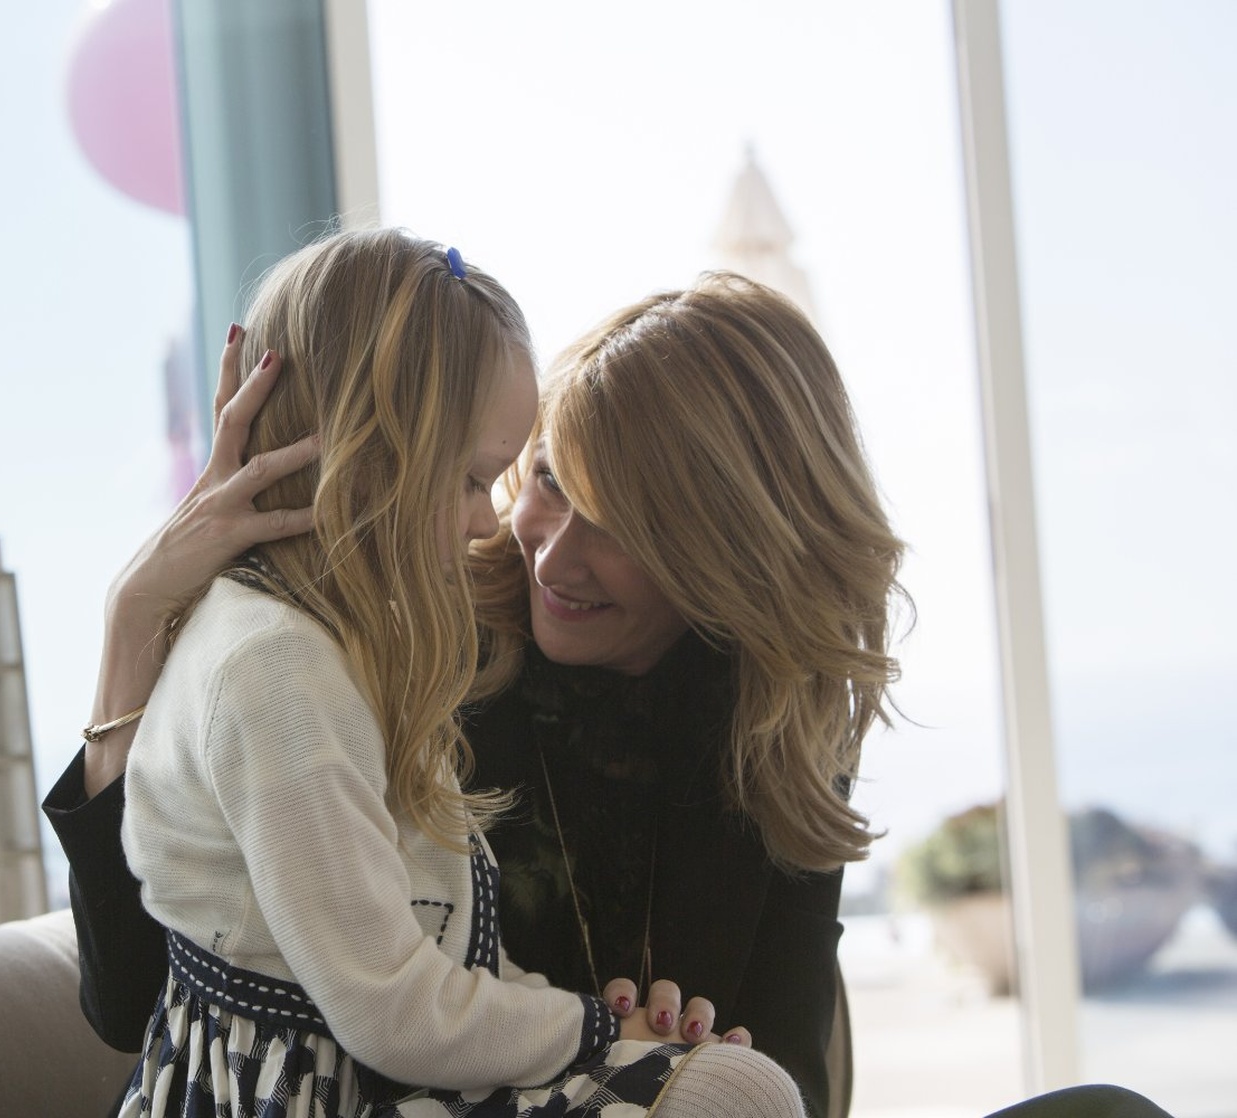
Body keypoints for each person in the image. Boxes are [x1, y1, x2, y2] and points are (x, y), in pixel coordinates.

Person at [50, 229, 806, 1118]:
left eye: (618, 525)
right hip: (320, 1089)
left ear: (720, 559)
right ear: (365, 459)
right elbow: (375, 1003)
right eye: (509, 480)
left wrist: (622, 1034)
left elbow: (437, 947)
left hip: (391, 1063)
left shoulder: (362, 646)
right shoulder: (287, 666)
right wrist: (133, 615)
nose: (500, 529)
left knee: (738, 1087)